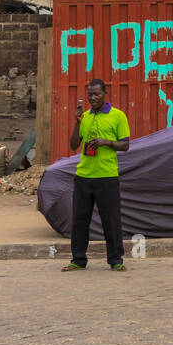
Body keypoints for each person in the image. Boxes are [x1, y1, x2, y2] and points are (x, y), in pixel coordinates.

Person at [61, 78, 130, 272]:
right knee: (80, 219)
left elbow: (125, 145)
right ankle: (78, 260)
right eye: (90, 94)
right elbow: (74, 145)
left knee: (111, 219)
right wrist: (77, 122)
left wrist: (106, 142)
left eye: (96, 94)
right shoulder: (86, 117)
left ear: (104, 94)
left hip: (107, 176)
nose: (92, 98)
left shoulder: (118, 116)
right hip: (84, 176)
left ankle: (116, 260)